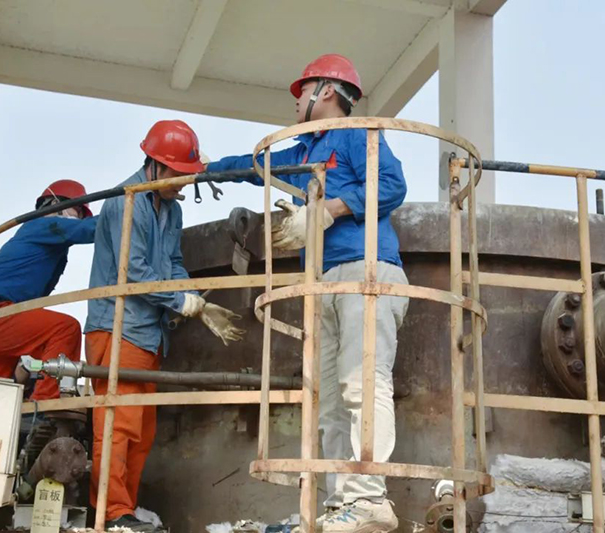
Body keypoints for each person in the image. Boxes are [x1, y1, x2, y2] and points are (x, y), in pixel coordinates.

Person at [206, 54, 408, 532]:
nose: (296, 100)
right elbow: (255, 165)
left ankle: (369, 499)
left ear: (327, 91)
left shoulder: (358, 134)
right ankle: (344, 505)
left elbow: (392, 185)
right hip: (325, 281)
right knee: (330, 400)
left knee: (362, 384)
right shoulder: (301, 152)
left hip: (367, 272)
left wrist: (329, 210)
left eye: (302, 90)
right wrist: (204, 168)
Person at [85, 120, 244, 532]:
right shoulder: (126, 202)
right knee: (117, 426)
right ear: (154, 164)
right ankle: (110, 512)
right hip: (117, 327)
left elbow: (171, 263)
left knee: (141, 432)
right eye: (178, 172)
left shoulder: (171, 209)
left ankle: (124, 511)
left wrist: (196, 301)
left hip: (149, 334)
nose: (184, 182)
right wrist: (180, 302)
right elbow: (134, 271)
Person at [0, 179, 97, 493]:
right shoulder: (42, 226)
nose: (78, 219)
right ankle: (45, 407)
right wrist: (132, 205)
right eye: (78, 212)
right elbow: (92, 230)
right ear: (57, 206)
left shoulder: (47, 244)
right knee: (65, 328)